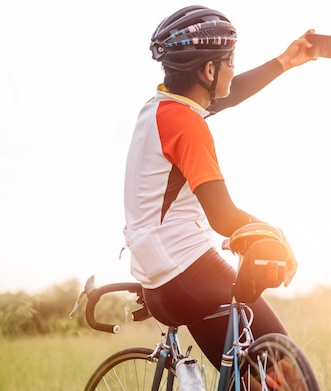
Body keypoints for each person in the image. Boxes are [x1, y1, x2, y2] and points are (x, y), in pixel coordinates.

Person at [123, 5, 317, 370]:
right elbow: (224, 217)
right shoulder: (188, 125)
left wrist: (285, 61)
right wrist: (276, 236)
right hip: (190, 275)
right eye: (230, 61)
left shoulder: (158, 110)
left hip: (160, 284)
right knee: (289, 375)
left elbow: (226, 93)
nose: (233, 68)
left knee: (253, 385)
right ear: (209, 69)